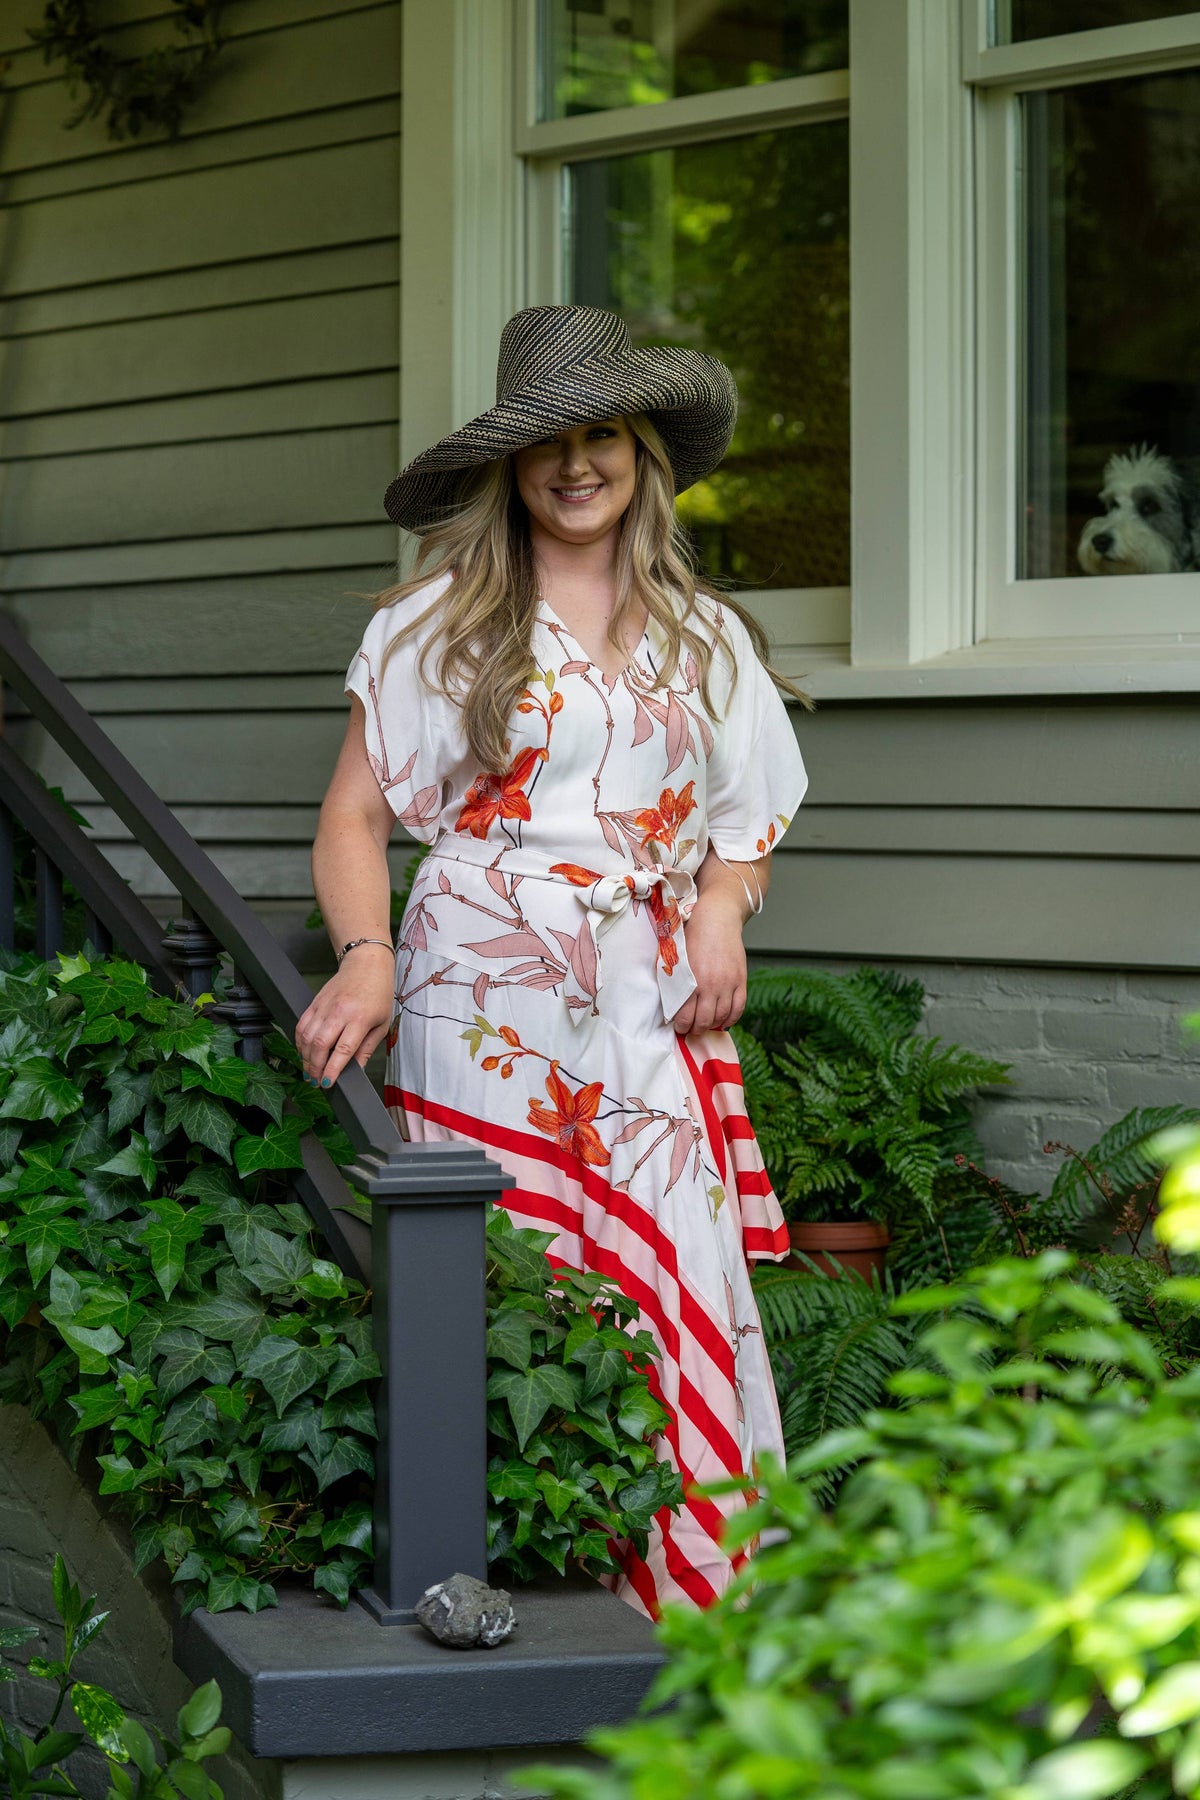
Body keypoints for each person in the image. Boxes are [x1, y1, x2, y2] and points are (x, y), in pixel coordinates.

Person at [296, 304, 810, 1619]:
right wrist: (365, 958)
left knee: (667, 1259)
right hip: (484, 989)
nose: (577, 464)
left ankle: (683, 1599)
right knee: (509, 1266)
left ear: (643, 455)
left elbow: (743, 826)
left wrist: (721, 908)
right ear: (510, 467)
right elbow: (354, 817)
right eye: (548, 443)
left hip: (649, 993)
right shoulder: (441, 621)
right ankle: (516, 1573)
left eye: (603, 437)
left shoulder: (707, 636)